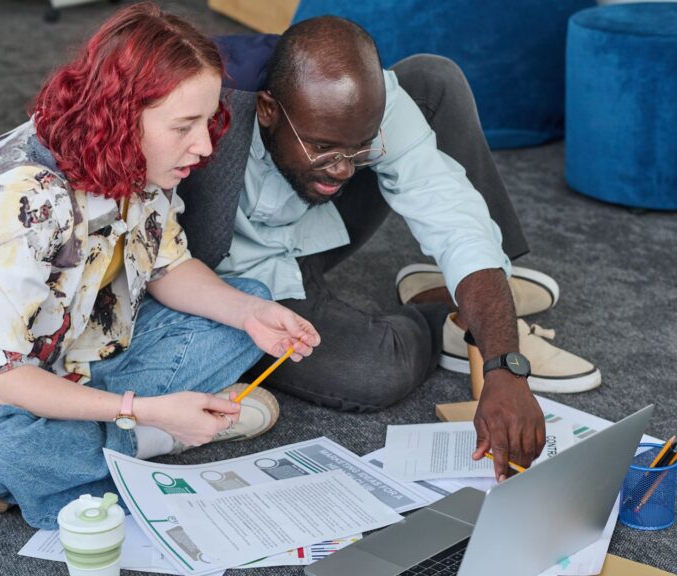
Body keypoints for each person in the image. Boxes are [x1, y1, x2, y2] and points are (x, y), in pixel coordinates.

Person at [0, 3, 319, 530]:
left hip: (77, 353)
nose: (203, 145)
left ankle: (85, 454)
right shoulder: (27, 198)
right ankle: (160, 437)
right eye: (184, 126)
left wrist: (250, 312)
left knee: (248, 300)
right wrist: (146, 414)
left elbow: (168, 267)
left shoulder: (141, 159)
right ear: (122, 117)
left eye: (207, 119)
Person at [176, 17, 599, 481]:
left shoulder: (366, 113)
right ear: (268, 109)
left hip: (313, 228)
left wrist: (504, 366)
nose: (342, 170)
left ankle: (487, 318)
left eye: (359, 149)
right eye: (322, 147)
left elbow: (451, 213)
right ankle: (443, 318)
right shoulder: (199, 108)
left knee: (433, 81)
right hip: (229, 280)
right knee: (374, 370)